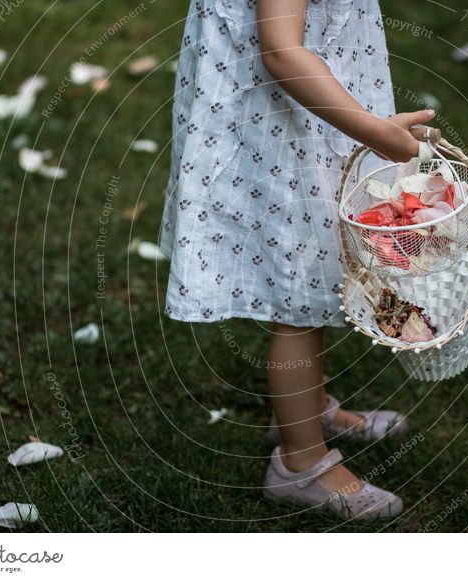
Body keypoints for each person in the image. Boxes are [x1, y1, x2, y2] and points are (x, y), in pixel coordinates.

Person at [160, 0, 436, 520]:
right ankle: (299, 462)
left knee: (316, 275)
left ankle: (303, 412)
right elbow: (283, 53)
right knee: (301, 299)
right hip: (286, 120)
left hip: (307, 114)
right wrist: (376, 134)